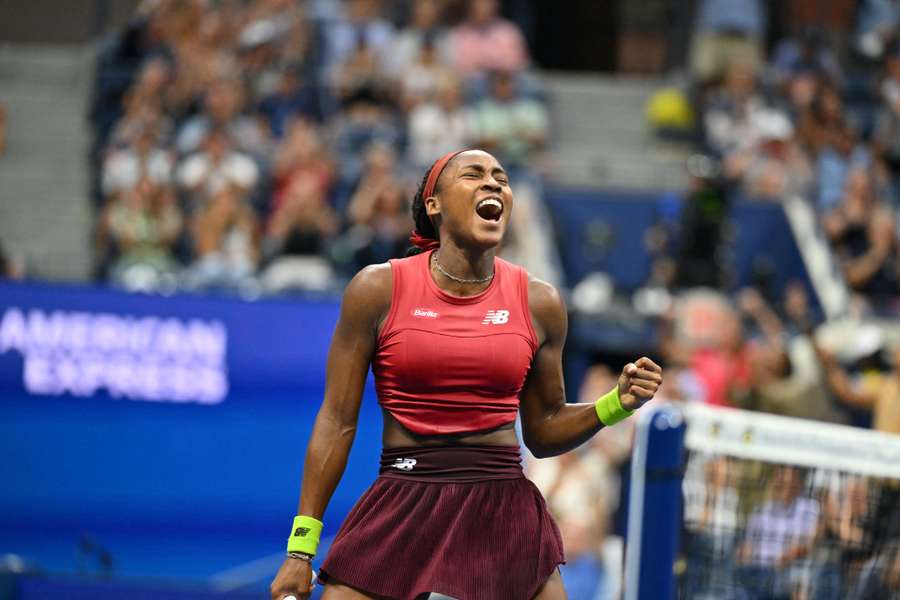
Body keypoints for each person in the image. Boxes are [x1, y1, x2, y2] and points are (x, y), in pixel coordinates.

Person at [269, 149, 663, 599]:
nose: (493, 184)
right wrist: (301, 549)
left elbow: (545, 428)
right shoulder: (376, 289)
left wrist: (615, 404)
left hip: (504, 507)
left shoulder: (541, 302)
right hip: (404, 498)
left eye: (501, 177)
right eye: (473, 175)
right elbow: (336, 421)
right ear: (433, 205)